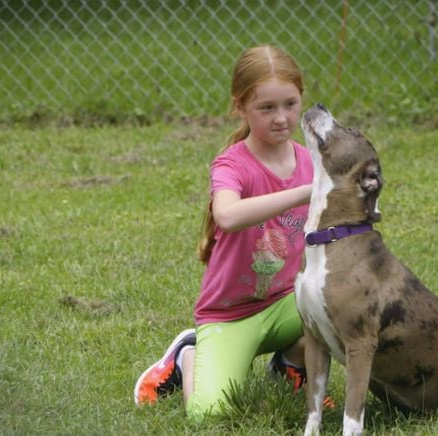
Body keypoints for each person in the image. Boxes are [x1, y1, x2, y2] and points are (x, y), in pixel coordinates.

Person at [134, 45, 320, 420]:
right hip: (229, 316)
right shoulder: (232, 164)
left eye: (290, 104)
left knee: (344, 308)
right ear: (240, 107)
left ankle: (291, 364)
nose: (281, 118)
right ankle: (188, 355)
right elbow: (229, 215)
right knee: (209, 415)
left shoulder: (309, 160)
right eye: (266, 108)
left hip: (286, 305)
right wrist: (302, 193)